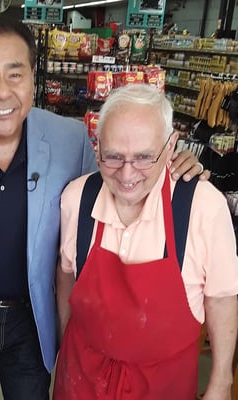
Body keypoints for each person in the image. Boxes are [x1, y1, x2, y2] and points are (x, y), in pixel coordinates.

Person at [0, 16, 209, 400]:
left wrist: (169, 171)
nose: (1, 92)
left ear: (33, 78)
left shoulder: (70, 139)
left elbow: (120, 189)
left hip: (32, 316)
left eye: (15, 74)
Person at [54, 83, 238, 400]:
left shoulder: (203, 207)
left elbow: (221, 298)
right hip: (82, 375)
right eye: (113, 156)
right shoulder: (77, 198)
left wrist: (221, 381)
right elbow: (66, 274)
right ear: (96, 147)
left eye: (143, 157)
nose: (127, 175)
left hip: (164, 382)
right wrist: (63, 346)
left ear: (170, 148)